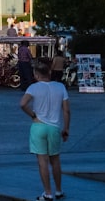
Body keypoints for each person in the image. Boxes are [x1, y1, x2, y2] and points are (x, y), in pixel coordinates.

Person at [20, 62, 70, 200]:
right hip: (54, 127)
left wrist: (33, 115)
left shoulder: (33, 88)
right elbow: (66, 110)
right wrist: (66, 128)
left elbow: (22, 104)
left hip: (38, 126)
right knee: (55, 160)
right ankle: (59, 190)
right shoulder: (60, 87)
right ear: (49, 73)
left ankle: (47, 192)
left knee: (42, 161)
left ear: (36, 75)